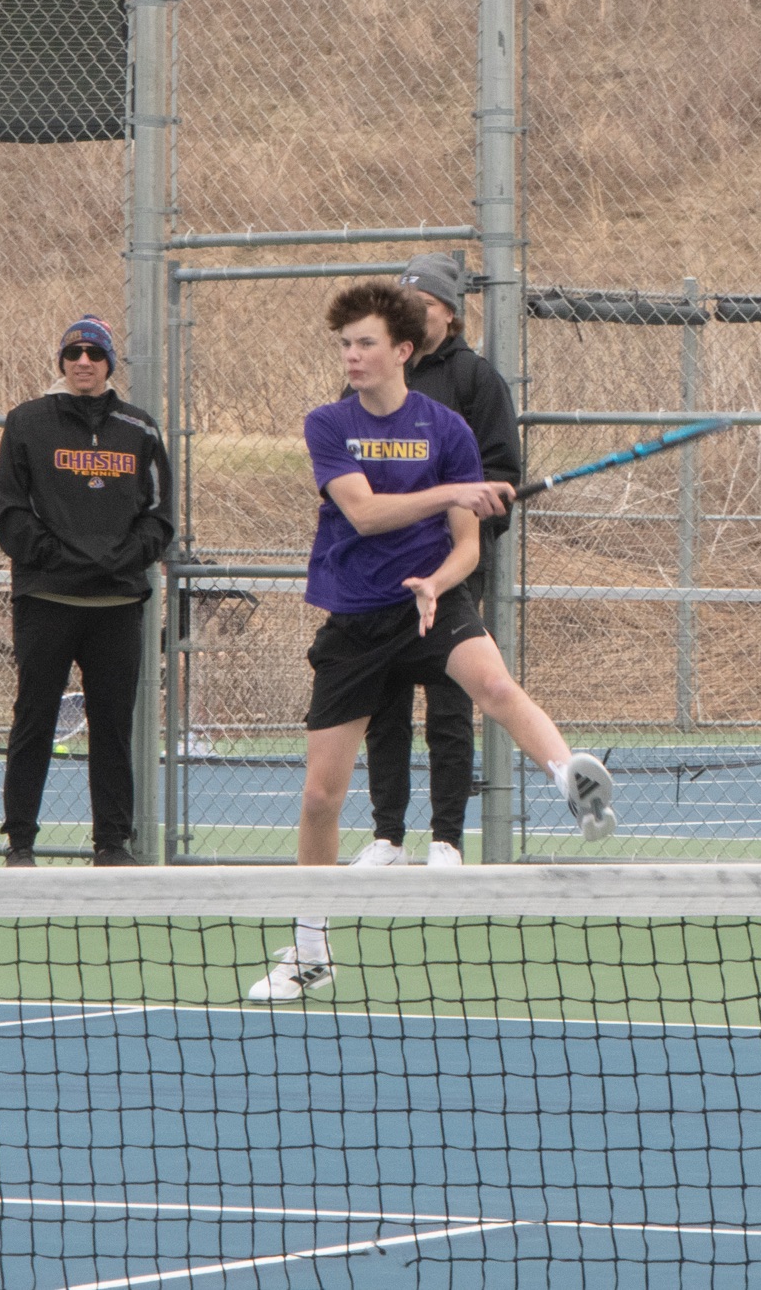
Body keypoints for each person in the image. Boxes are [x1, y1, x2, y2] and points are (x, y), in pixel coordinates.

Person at [248, 280, 614, 1003]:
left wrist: (437, 582)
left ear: (403, 350)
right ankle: (312, 946)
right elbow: (366, 513)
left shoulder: (448, 429)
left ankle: (570, 776)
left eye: (366, 344)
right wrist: (452, 493)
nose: (352, 355)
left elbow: (469, 547)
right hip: (355, 617)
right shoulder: (328, 424)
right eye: (346, 344)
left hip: (428, 604)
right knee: (322, 796)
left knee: (495, 685)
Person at [352, 253, 522, 869]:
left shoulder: (476, 380)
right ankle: (387, 837)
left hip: (451, 565)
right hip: (381, 570)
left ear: (448, 314)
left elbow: (501, 474)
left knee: (451, 703)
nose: (407, 317)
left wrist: (472, 510)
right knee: (385, 701)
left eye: (421, 305)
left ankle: (446, 838)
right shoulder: (373, 375)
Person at [0, 315, 173, 868]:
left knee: (113, 728)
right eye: (74, 355)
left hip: (116, 605)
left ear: (110, 363)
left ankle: (111, 844)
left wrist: (120, 558)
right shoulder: (26, 423)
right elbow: (10, 514)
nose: (84, 363)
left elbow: (160, 518)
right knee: (34, 720)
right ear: (62, 363)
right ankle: (19, 841)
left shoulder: (139, 430)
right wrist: (62, 558)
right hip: (47, 601)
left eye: (94, 355)